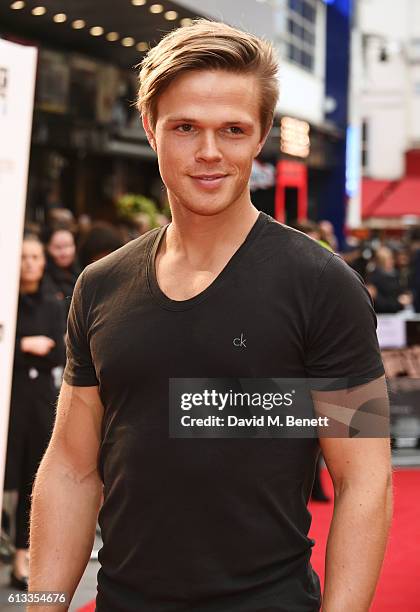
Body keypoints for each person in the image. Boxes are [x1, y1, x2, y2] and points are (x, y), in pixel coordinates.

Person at [29, 20, 392, 612]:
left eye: (232, 129)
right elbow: (70, 468)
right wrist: (38, 606)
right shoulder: (99, 285)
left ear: (261, 136)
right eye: (185, 128)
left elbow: (364, 481)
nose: (208, 153)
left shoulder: (325, 285)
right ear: (150, 130)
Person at [4, 234, 65, 590]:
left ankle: (21, 557)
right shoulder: (7, 299)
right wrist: (23, 344)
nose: (30, 263)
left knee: (32, 474)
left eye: (35, 257)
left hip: (39, 400)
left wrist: (36, 349)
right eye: (24, 256)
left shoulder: (53, 304)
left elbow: (59, 353)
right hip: (9, 397)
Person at [42, 227, 80, 314]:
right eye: (58, 247)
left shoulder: (80, 272)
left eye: (68, 246)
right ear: (47, 247)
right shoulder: (43, 276)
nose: (65, 253)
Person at [366, 245, 412, 313]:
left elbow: (402, 293)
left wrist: (406, 297)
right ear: (381, 261)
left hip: (397, 314)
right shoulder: (374, 279)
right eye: (388, 259)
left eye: (392, 259)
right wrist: (399, 303)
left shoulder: (396, 275)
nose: (392, 261)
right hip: (382, 316)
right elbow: (379, 303)